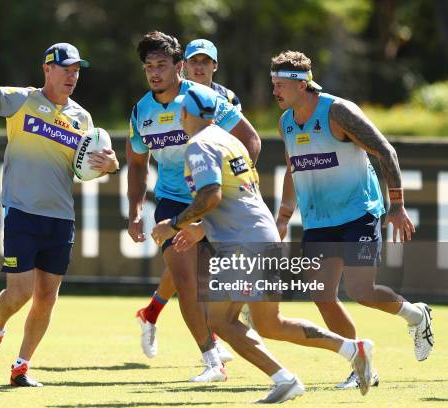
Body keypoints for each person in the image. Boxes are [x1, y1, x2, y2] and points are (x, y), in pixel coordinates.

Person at [151, 84, 375, 402]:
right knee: (271, 324)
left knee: (221, 321)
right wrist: (201, 229)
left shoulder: (199, 145)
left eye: (180, 109)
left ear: (185, 112)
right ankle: (353, 348)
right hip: (260, 236)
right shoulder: (229, 141)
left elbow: (211, 195)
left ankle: (285, 379)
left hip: (242, 244)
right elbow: (236, 196)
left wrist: (173, 224)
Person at [0, 43, 119, 387]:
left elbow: (83, 168)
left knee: (46, 297)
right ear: (47, 70)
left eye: (77, 70)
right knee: (20, 292)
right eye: (66, 69)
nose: (72, 76)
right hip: (22, 212)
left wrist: (109, 167)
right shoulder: (22, 100)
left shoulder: (82, 118)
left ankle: (21, 367)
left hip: (60, 218)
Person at [270, 50, 434, 389]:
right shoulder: (287, 120)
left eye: (280, 84)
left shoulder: (338, 111)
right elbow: (293, 166)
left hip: (358, 212)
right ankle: (360, 366)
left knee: (361, 290)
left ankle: (417, 316)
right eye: (273, 84)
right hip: (318, 220)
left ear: (302, 84)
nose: (274, 91)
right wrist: (284, 216)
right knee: (322, 294)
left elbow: (385, 150)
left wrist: (397, 205)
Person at [128, 31, 262, 381]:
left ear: (179, 66)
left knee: (222, 281)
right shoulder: (140, 110)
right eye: (148, 67)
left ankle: (247, 340)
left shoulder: (204, 98)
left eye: (161, 65)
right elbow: (138, 164)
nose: (154, 72)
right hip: (172, 201)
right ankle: (210, 359)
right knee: (186, 279)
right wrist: (134, 211)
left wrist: (238, 183)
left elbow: (250, 140)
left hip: (215, 197)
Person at [184, 39, 242, 111]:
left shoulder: (229, 98)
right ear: (185, 65)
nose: (199, 67)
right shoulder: (172, 93)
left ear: (215, 66)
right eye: (193, 61)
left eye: (205, 62)